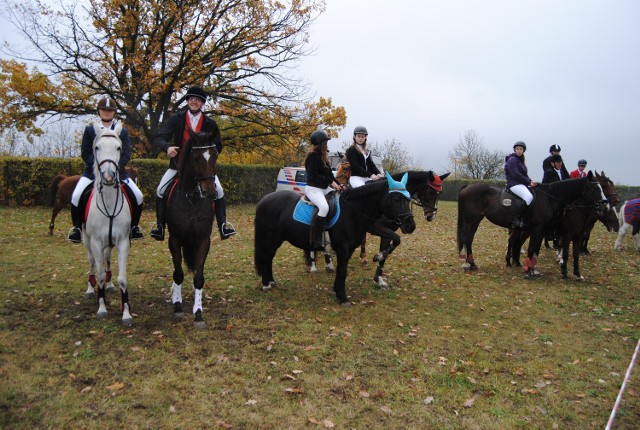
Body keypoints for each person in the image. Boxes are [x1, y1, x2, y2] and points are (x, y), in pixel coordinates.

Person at [150, 86, 235, 241]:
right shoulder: (177, 119)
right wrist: (167, 147)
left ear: (202, 103)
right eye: (191, 99)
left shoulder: (210, 123)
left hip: (202, 169)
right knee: (160, 189)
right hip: (177, 166)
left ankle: (223, 226)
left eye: (197, 100)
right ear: (188, 101)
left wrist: (209, 154)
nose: (194, 102)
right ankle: (160, 226)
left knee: (220, 191)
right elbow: (160, 137)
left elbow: (218, 144)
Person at [67, 97, 144, 243]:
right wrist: (98, 168)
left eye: (110, 110)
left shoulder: (122, 131)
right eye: (104, 109)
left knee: (138, 195)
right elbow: (85, 153)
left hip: (118, 173)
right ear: (99, 111)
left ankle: (134, 227)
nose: (107, 112)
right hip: (92, 172)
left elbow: (126, 153)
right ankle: (77, 228)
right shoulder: (90, 130)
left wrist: (116, 169)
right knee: (76, 196)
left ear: (114, 112)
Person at [304, 130, 343, 249]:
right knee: (324, 207)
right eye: (325, 142)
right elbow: (313, 176)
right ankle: (317, 238)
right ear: (320, 143)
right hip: (313, 188)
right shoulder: (312, 156)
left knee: (340, 200)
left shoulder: (323, 157)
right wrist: (330, 182)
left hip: (324, 188)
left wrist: (338, 184)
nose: (327, 144)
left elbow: (330, 175)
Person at [505, 141, 537, 229]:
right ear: (514, 150)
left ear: (523, 150)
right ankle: (516, 219)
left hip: (520, 183)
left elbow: (524, 174)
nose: (519, 151)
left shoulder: (520, 160)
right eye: (517, 149)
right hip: (513, 184)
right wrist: (528, 182)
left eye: (521, 149)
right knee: (528, 197)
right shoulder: (512, 160)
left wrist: (530, 181)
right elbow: (516, 174)